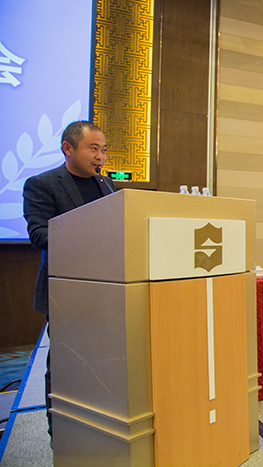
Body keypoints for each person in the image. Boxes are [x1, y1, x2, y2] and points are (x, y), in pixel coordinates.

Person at [23, 121, 115, 441]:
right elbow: (39, 235)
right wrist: (88, 234)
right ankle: (60, 434)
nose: (101, 157)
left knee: (102, 360)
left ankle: (99, 423)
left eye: (104, 150)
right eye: (94, 149)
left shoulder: (106, 185)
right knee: (65, 363)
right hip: (66, 291)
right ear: (68, 148)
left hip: (108, 289)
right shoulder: (42, 184)